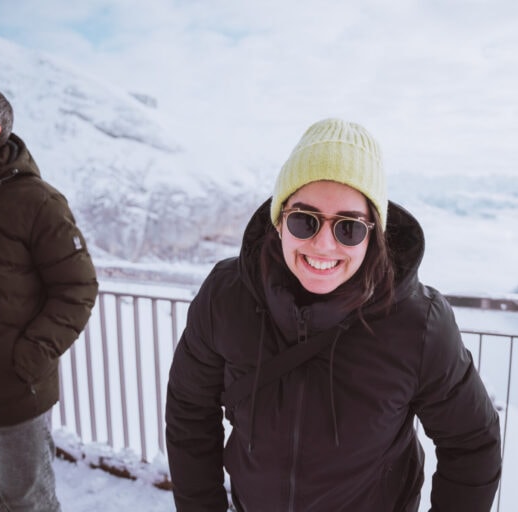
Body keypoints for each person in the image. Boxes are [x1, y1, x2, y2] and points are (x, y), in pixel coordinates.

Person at [166, 118, 501, 511]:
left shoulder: (418, 323)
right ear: (279, 221)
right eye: (304, 220)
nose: (323, 245)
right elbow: (190, 409)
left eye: (349, 228)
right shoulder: (227, 296)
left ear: (373, 233)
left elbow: (471, 442)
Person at [0, 68, 98, 511]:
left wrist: (24, 360)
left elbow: (78, 288)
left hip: (14, 392)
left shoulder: (35, 202)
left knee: (27, 502)